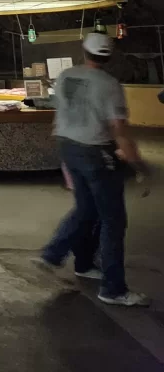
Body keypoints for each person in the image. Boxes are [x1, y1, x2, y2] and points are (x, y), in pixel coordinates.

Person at [38, 33, 150, 307]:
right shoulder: (109, 84)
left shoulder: (65, 76)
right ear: (108, 57)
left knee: (86, 208)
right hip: (96, 152)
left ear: (84, 52)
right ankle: (113, 289)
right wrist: (138, 165)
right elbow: (118, 129)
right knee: (112, 220)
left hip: (67, 146)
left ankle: (61, 255)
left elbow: (60, 111)